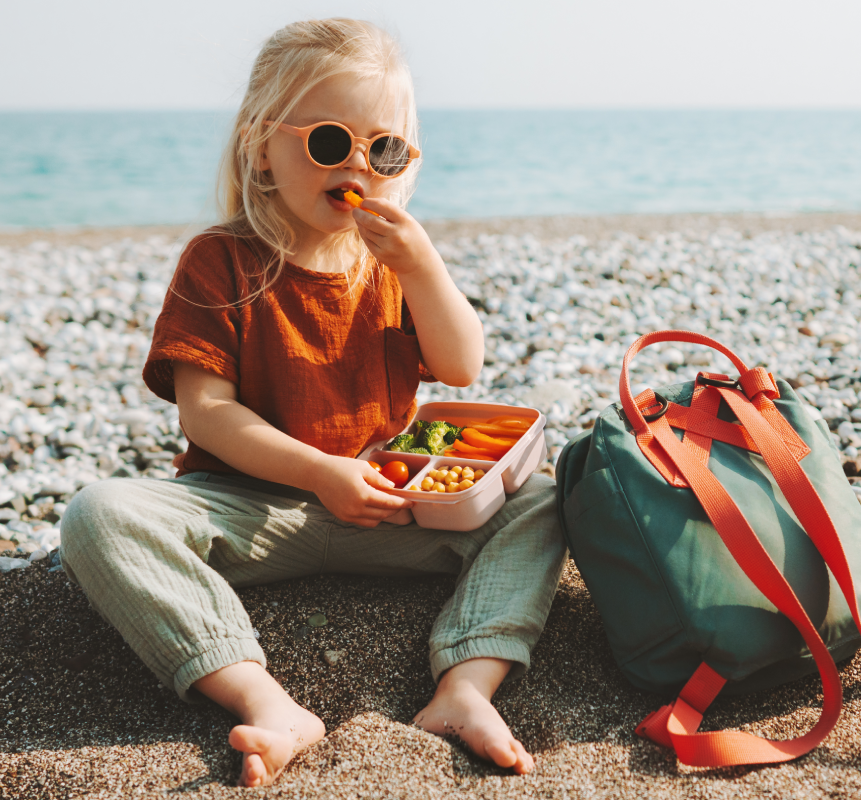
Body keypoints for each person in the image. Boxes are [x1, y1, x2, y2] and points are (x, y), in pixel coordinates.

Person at [59, 18, 565, 787]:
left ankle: (466, 685)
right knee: (100, 513)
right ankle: (263, 700)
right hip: (246, 510)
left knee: (543, 498)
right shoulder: (222, 259)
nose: (359, 165)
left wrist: (425, 267)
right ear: (265, 145)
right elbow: (207, 413)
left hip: (391, 506)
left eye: (384, 149)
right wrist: (320, 471)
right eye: (331, 143)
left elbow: (463, 365)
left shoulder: (393, 264)